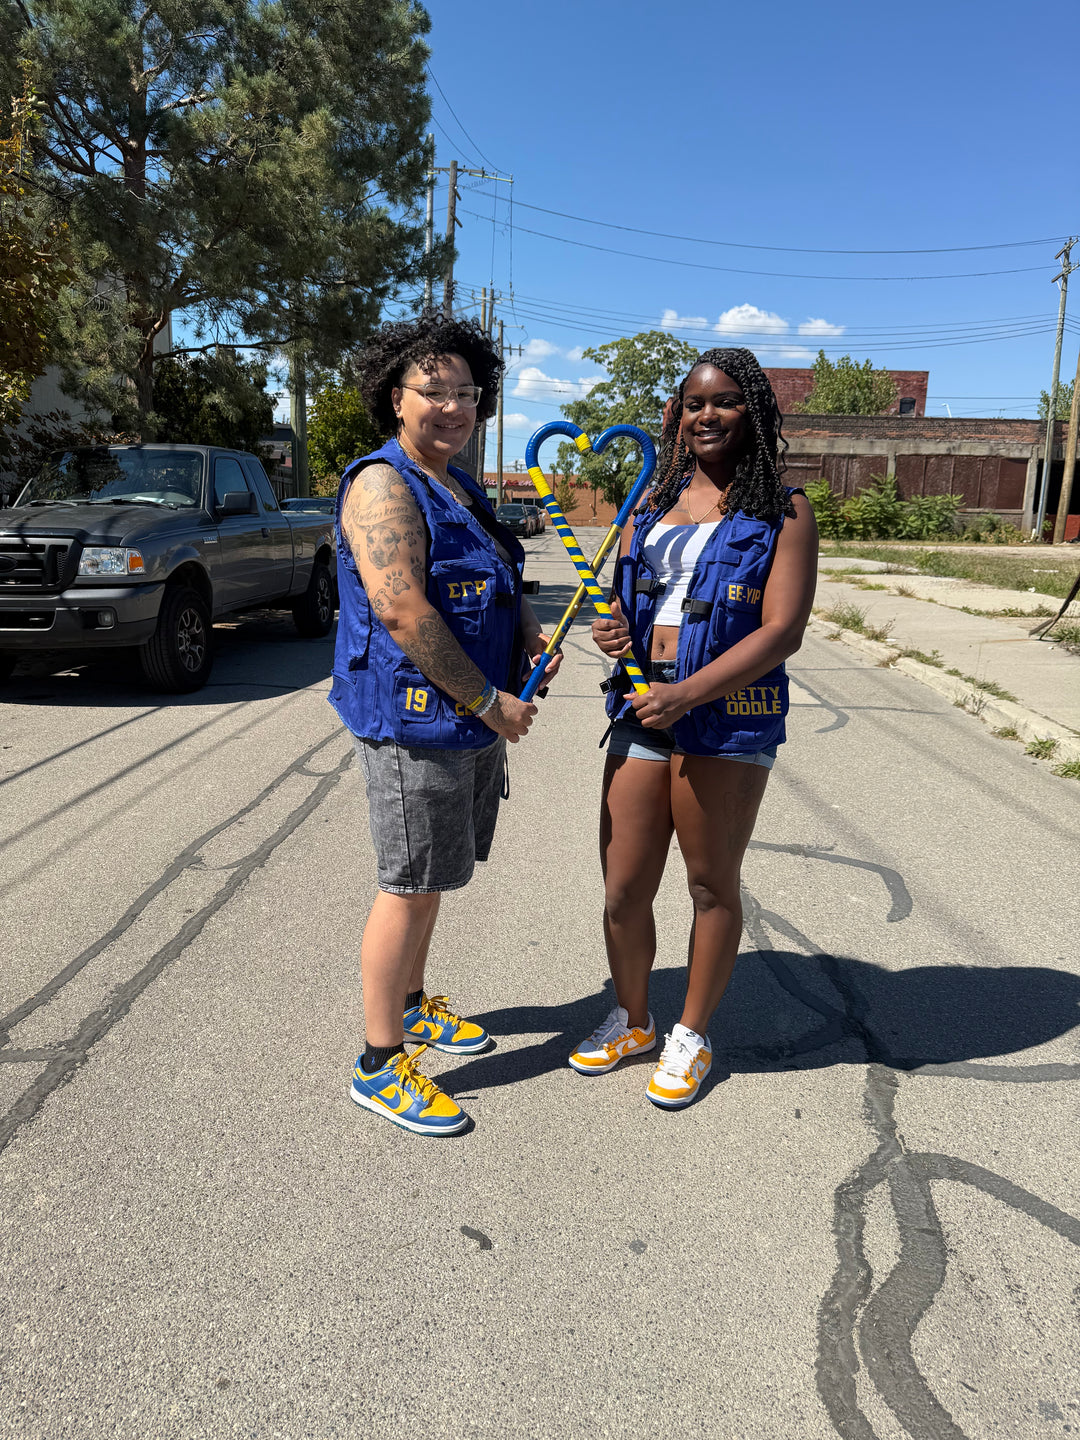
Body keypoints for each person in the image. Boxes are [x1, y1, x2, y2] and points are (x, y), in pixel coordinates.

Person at [571, 348, 818, 1108]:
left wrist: (688, 694)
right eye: (693, 403)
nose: (706, 415)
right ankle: (634, 1020)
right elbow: (623, 602)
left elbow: (782, 631)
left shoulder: (784, 509)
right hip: (643, 708)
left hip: (726, 718)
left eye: (725, 401)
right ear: (676, 416)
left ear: (755, 412)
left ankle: (691, 1033)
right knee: (623, 888)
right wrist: (611, 630)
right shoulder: (650, 503)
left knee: (710, 885)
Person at [331, 314, 559, 1137]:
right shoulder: (383, 486)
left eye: (467, 392)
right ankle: (379, 1063)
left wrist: (526, 634)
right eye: (434, 391)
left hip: (465, 723)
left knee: (431, 881)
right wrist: (492, 702)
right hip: (415, 725)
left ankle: (414, 1004)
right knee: (406, 884)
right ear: (395, 398)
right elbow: (402, 612)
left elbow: (500, 574)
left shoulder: (457, 484)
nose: (455, 406)